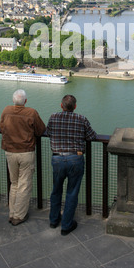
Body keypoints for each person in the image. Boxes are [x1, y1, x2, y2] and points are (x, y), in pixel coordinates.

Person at [46, 94, 97, 235]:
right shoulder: (81, 119)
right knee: (72, 192)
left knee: (56, 190)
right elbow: (92, 136)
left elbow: (48, 132)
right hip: (75, 158)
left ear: (61, 105)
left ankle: (53, 220)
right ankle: (66, 225)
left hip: (57, 159)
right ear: (75, 106)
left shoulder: (53, 117)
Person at [0, 89, 45, 225]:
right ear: (25, 101)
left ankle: (12, 213)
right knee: (24, 185)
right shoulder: (31, 112)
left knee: (14, 183)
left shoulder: (6, 110)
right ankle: (19, 216)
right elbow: (40, 130)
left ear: (13, 100)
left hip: (10, 152)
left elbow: (1, 127)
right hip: (26, 152)